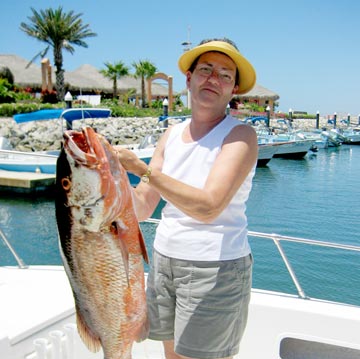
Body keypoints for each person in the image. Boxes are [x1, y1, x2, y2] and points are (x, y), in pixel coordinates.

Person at [116, 38, 258, 359]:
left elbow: (209, 207)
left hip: (215, 268)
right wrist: (109, 179)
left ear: (234, 88)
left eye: (225, 75)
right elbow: (142, 206)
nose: (213, 79)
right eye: (206, 70)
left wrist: (140, 168)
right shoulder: (170, 134)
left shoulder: (240, 136)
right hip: (164, 260)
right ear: (189, 78)